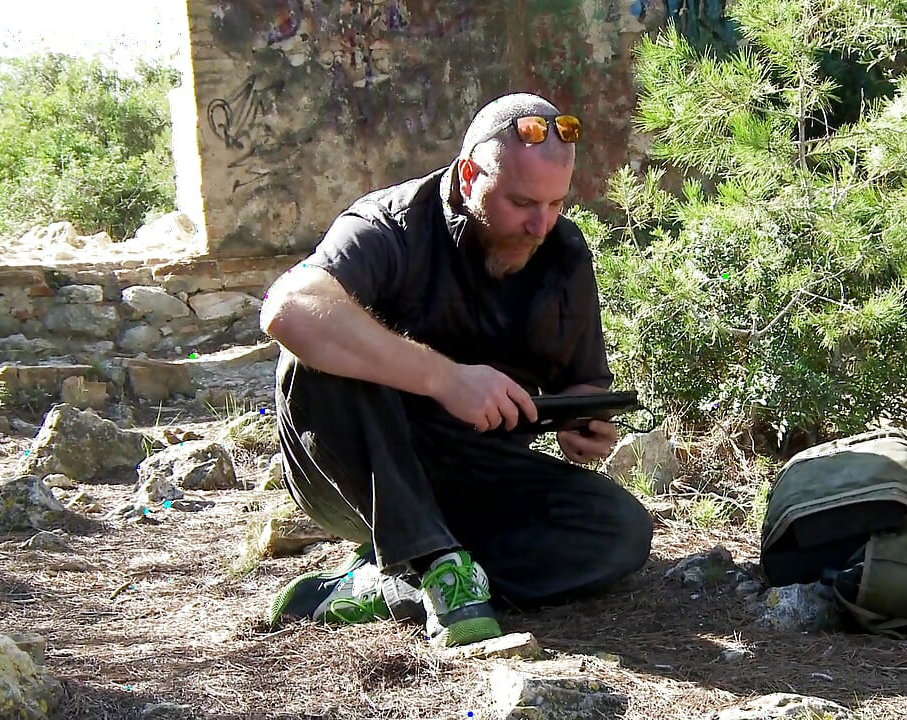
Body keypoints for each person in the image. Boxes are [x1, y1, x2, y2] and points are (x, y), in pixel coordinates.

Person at [259, 92, 654, 648]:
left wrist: (584, 419)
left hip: (475, 474)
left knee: (621, 533)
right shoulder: (389, 225)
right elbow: (287, 309)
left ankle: (394, 582)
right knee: (321, 348)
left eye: (556, 205)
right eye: (521, 203)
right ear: (469, 176)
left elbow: (582, 382)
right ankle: (432, 560)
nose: (540, 226)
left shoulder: (561, 251)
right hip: (355, 471)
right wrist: (446, 380)